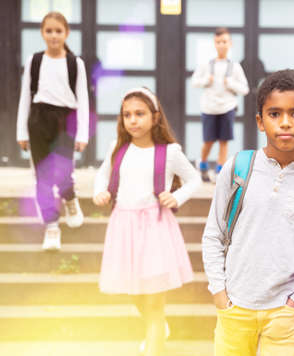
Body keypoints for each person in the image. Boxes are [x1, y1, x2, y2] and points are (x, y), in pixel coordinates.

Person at [202, 70, 294, 356]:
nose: (285, 123)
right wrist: (220, 293)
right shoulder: (237, 168)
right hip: (234, 309)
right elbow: (213, 235)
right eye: (274, 114)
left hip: (285, 315)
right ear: (260, 121)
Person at [93, 87, 201, 356]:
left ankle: (155, 340)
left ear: (154, 117)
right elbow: (102, 175)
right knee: (133, 291)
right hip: (124, 227)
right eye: (127, 114)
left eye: (139, 113)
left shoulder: (169, 152)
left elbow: (194, 179)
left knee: (154, 300)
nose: (133, 120)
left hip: (155, 227)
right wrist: (100, 191)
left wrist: (176, 197)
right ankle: (159, 326)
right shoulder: (117, 149)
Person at [16, 12, 89, 251]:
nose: (54, 35)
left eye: (58, 31)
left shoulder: (74, 63)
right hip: (38, 120)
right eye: (49, 31)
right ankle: (51, 228)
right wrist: (22, 132)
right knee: (43, 176)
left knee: (63, 172)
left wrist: (82, 134)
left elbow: (83, 100)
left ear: (66, 33)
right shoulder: (34, 61)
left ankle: (70, 198)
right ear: (42, 33)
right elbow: (25, 97)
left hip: (65, 120)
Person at [191, 27, 249, 182]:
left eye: (224, 41)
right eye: (218, 42)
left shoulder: (235, 66)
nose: (221, 45)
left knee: (224, 141)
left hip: (227, 108)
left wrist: (230, 83)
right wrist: (206, 81)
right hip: (209, 108)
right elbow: (194, 82)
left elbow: (245, 89)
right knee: (209, 140)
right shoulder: (206, 64)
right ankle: (202, 164)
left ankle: (219, 172)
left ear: (230, 44)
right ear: (214, 44)